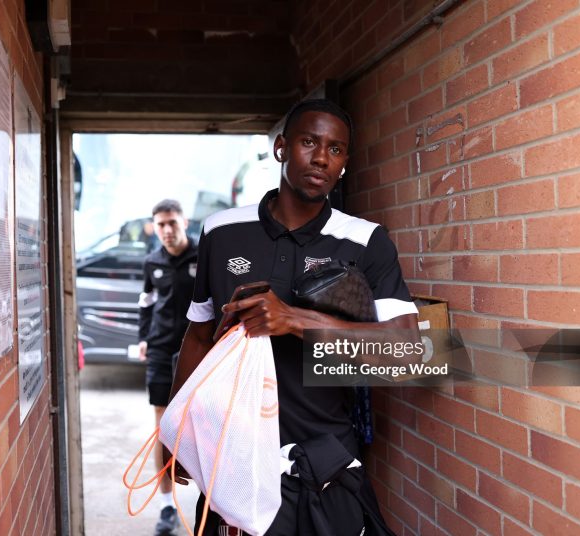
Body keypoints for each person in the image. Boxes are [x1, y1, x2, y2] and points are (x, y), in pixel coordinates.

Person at [167, 99, 420, 535]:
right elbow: (198, 335)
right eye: (309, 142)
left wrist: (294, 320)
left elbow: (407, 352)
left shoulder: (365, 240)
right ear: (281, 148)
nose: (322, 157)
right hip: (233, 455)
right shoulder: (222, 230)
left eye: (336, 150)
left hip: (324, 460)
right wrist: (176, 436)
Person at [138, 199, 198, 536]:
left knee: (205, 427)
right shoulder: (151, 262)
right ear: (154, 227)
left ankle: (212, 502)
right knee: (164, 431)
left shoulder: (203, 257)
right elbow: (145, 304)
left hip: (197, 351)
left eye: (172, 223)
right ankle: (166, 507)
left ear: (184, 222)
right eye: (161, 224)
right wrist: (144, 338)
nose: (167, 230)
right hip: (161, 351)